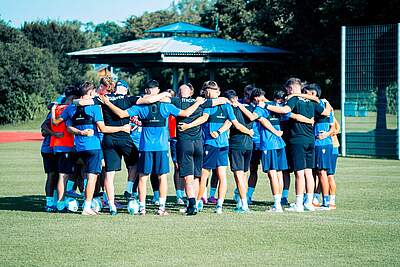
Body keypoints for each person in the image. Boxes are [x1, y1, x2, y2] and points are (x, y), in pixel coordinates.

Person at [101, 80, 205, 216]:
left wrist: (108, 103)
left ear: (147, 91)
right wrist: (197, 103)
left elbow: (121, 114)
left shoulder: (141, 108)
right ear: (157, 90)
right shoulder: (165, 106)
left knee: (143, 177)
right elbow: (185, 114)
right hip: (161, 147)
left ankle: (143, 208)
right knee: (162, 177)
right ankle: (161, 208)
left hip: (146, 147)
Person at [74, 78, 169, 215]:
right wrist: (164, 94)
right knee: (137, 164)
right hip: (124, 137)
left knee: (109, 174)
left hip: (108, 139)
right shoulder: (128, 98)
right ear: (121, 89)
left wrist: (76, 101)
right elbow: (148, 100)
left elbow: (81, 102)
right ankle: (129, 188)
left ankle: (112, 205)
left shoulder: (103, 98)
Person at [178, 81, 253, 214]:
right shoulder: (225, 104)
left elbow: (203, 119)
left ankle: (198, 203)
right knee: (221, 175)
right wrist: (246, 131)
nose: (207, 93)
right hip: (223, 144)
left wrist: (188, 126)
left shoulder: (210, 105)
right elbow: (231, 122)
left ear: (215, 91)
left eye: (208, 90)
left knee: (204, 176)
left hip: (211, 144)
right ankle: (219, 206)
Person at [62, 81, 130, 215]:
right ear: (91, 92)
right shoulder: (94, 108)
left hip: (78, 147)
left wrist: (80, 132)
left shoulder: (70, 108)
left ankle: (61, 201)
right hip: (93, 146)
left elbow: (63, 124)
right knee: (92, 177)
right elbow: (102, 128)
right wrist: (122, 128)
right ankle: (87, 206)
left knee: (76, 175)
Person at [266, 78, 331, 212]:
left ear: (290, 88)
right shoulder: (312, 101)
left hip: (298, 140)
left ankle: (299, 204)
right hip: (310, 140)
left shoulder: (293, 98)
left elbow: (285, 110)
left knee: (299, 173)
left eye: (287, 90)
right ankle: (309, 202)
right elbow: (325, 112)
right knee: (309, 172)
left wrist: (265, 106)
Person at [304, 84, 335, 210]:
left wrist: (326, 134)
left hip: (323, 144)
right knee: (314, 172)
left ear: (313, 94)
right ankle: (313, 199)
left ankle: (327, 201)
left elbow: (333, 126)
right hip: (314, 143)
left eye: (306, 92)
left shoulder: (322, 104)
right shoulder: (312, 105)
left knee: (323, 172)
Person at [224, 89, 254, 213]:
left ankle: (243, 204)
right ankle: (242, 201)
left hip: (237, 144)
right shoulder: (251, 109)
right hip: (249, 144)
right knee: (244, 174)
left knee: (239, 175)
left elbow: (235, 125)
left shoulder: (231, 109)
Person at [50, 86, 79, 212]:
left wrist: (52, 108)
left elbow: (54, 122)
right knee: (64, 176)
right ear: (72, 98)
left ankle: (59, 200)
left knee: (61, 175)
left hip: (56, 146)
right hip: (67, 146)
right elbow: (69, 127)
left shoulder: (57, 108)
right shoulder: (68, 109)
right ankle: (61, 203)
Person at [40, 106, 62, 212]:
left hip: (61, 149)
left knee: (60, 176)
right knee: (52, 175)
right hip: (49, 149)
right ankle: (49, 203)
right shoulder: (56, 111)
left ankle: (57, 202)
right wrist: (54, 134)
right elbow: (43, 129)